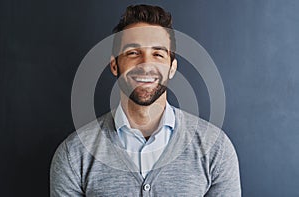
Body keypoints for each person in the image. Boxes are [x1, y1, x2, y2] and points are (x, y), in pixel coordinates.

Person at [50, 4, 241, 196]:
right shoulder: (74, 155)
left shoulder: (215, 149)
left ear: (172, 68)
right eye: (133, 53)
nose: (146, 64)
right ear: (115, 65)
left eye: (158, 54)